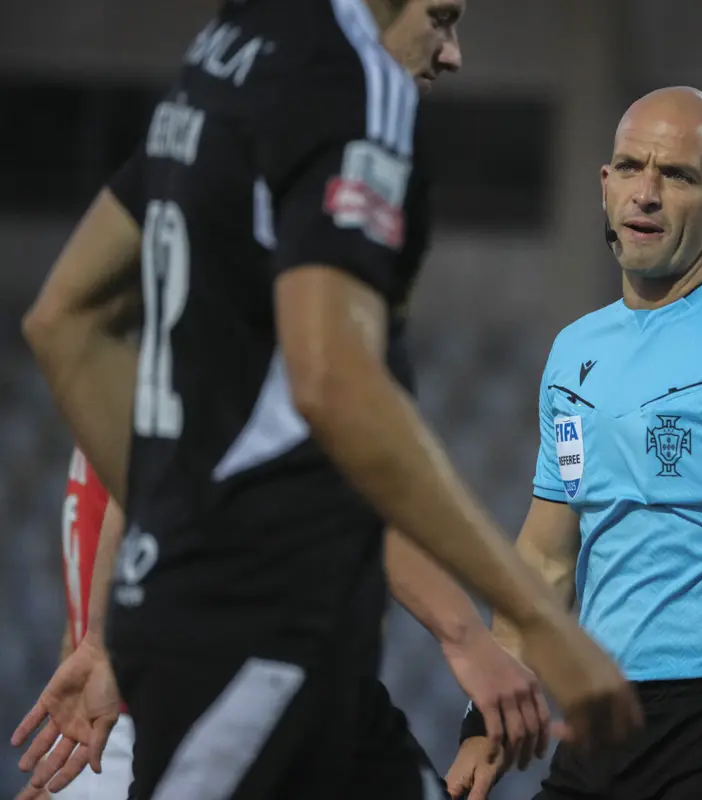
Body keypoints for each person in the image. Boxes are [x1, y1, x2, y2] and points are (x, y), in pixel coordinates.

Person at [10, 0, 641, 797]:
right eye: (441, 18)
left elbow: (61, 321)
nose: (453, 55)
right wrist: (547, 628)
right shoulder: (354, 83)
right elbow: (337, 390)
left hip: (263, 637)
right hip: (260, 639)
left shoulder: (228, 55)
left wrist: (180, 544)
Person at [444, 86, 702, 800]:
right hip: (602, 717)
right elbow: (545, 552)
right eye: (631, 167)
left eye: (679, 176)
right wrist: (489, 714)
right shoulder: (573, 353)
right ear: (605, 186)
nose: (647, 194)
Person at [15, 449, 133, 800]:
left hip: (133, 715)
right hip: (101, 719)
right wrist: (60, 745)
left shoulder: (135, 414)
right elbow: (78, 599)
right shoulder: (93, 426)